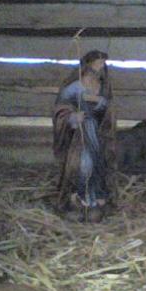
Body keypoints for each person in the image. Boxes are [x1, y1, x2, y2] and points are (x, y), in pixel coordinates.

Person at [52, 50, 115, 222]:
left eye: (103, 64)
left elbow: (107, 111)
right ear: (88, 65)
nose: (101, 67)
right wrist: (72, 117)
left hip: (96, 132)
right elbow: (60, 109)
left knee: (97, 163)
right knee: (83, 163)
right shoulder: (75, 86)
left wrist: (102, 104)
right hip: (79, 134)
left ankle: (94, 200)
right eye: (98, 63)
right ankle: (78, 198)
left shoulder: (102, 86)